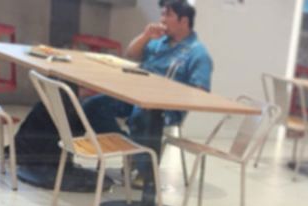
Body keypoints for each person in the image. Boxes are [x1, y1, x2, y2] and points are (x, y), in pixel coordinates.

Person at [82, 0, 213, 190]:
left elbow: (200, 92)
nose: (162, 20)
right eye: (162, 14)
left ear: (184, 21)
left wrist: (169, 92)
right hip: (134, 95)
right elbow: (131, 53)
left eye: (167, 15)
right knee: (93, 106)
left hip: (164, 107)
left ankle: (144, 174)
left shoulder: (197, 53)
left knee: (145, 114)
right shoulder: (159, 41)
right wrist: (145, 36)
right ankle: (128, 148)